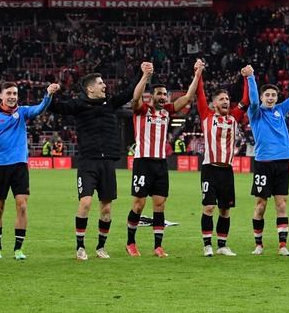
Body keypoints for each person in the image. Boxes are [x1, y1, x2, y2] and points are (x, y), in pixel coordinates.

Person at [49, 63, 151, 260]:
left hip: (107, 164)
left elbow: (130, 92)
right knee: (85, 202)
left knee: (106, 208)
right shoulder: (78, 105)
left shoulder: (110, 103)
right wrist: (51, 93)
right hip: (88, 162)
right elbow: (57, 107)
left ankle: (101, 247)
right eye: (100, 83)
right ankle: (80, 247)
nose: (105, 85)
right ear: (90, 88)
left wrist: (142, 73)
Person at [0, 81, 60, 260]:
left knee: (22, 205)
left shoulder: (23, 111)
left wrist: (48, 94)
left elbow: (40, 109)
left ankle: (18, 248)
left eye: (15, 93)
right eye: (9, 93)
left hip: (19, 165)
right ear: (1, 96)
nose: (12, 97)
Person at [125, 59, 202, 258]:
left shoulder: (167, 111)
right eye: (158, 93)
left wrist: (197, 74)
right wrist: (145, 76)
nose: (162, 97)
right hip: (142, 162)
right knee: (139, 204)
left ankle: (158, 246)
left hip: (160, 164)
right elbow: (135, 98)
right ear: (152, 96)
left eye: (164, 94)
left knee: (159, 204)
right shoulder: (142, 110)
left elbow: (188, 97)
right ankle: (130, 243)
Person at [248, 60, 289, 256]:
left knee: (281, 203)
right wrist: (251, 78)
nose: (270, 98)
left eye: (273, 95)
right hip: (263, 163)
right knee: (260, 205)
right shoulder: (256, 112)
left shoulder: (280, 109)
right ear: (261, 97)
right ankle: (258, 244)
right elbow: (252, 100)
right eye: (267, 95)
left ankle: (282, 245)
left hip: (282, 163)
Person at [196, 64, 252, 257]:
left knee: (225, 209)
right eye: (222, 99)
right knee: (209, 207)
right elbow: (199, 92)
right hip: (210, 169)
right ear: (214, 104)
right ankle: (207, 245)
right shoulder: (206, 115)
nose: (226, 101)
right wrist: (199, 73)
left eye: (227, 98)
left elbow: (246, 100)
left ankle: (222, 245)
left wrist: (247, 77)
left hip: (227, 170)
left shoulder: (235, 117)